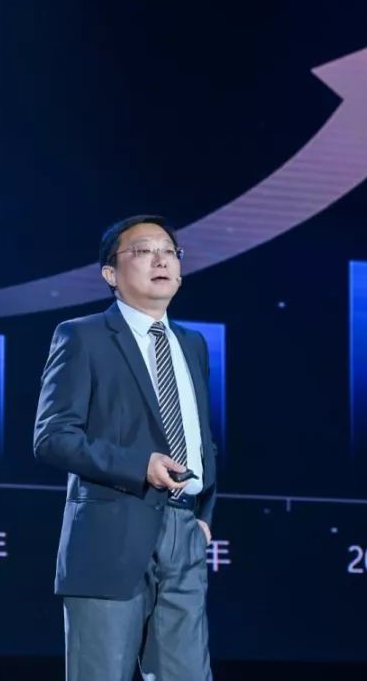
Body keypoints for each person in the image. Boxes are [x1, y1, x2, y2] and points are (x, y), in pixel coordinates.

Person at [34, 214, 217, 680]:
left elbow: (200, 437)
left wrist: (202, 517)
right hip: (110, 534)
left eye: (169, 251)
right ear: (110, 274)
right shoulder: (83, 336)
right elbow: (53, 437)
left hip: (184, 533)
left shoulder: (193, 344)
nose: (161, 260)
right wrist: (140, 465)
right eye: (143, 251)